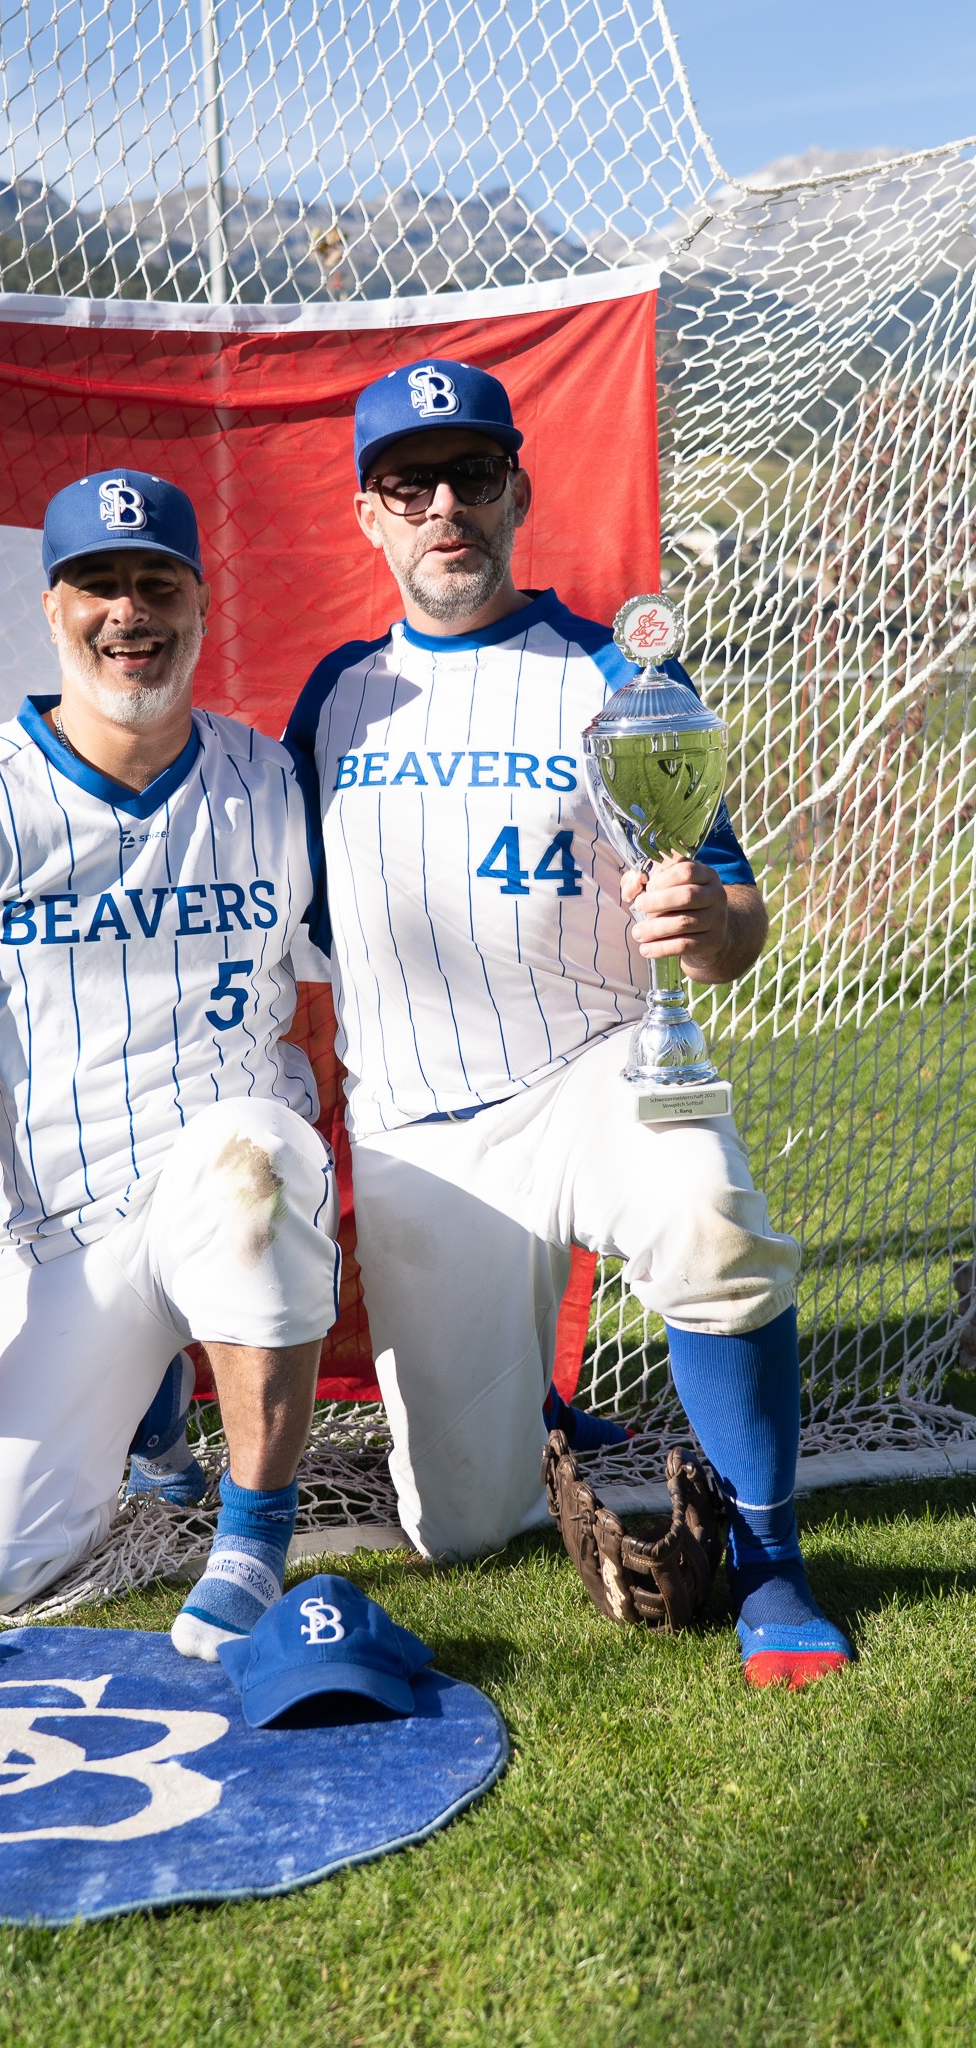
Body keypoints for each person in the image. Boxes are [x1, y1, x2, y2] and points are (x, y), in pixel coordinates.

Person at [284, 360, 852, 1689]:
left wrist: (707, 923)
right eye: (409, 485)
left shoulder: (611, 671)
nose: (444, 507)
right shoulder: (334, 700)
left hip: (599, 1072)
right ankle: (532, 1395)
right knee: (466, 1526)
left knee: (710, 1221)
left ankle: (773, 1564)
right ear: (368, 515)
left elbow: (737, 918)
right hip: (427, 1132)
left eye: (472, 475)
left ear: (517, 494)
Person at [0, 469, 339, 1659]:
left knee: (254, 1157)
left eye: (157, 582)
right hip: (59, 1230)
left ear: (199, 602)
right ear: (52, 607)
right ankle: (152, 1409)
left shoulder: (274, 783)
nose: (128, 611)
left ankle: (252, 1540)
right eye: (97, 584)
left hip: (228, 1176)